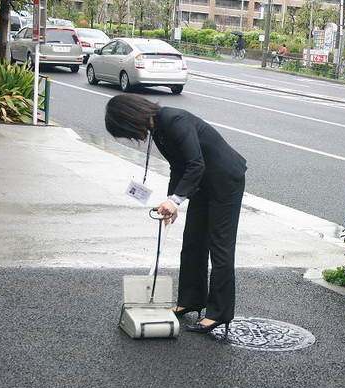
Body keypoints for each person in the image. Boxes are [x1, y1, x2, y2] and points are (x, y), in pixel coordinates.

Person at [104, 94, 247, 335]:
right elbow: (178, 167)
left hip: (225, 181)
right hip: (202, 184)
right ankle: (191, 299)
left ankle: (219, 313)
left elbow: (195, 163)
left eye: (125, 130)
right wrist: (171, 201)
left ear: (130, 118)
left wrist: (176, 200)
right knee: (192, 242)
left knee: (219, 247)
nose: (130, 137)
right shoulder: (158, 128)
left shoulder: (174, 120)